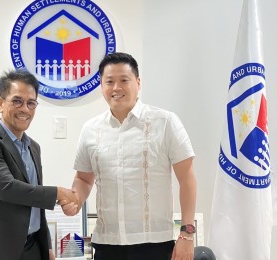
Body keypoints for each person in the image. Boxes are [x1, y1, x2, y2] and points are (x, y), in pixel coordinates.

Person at [63, 52, 197, 260]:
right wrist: (76, 199)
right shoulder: (90, 129)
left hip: (155, 244)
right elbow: (83, 178)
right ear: (101, 86)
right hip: (107, 244)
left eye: (124, 80)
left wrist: (187, 235)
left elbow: (186, 178)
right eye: (109, 82)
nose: (116, 88)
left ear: (138, 82)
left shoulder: (165, 122)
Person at [0, 69, 77, 260]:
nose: (25, 109)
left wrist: (47, 246)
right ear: (0, 103)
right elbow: (6, 188)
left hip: (32, 248)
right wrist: (57, 193)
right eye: (17, 101)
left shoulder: (33, 147)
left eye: (31, 103)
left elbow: (36, 203)